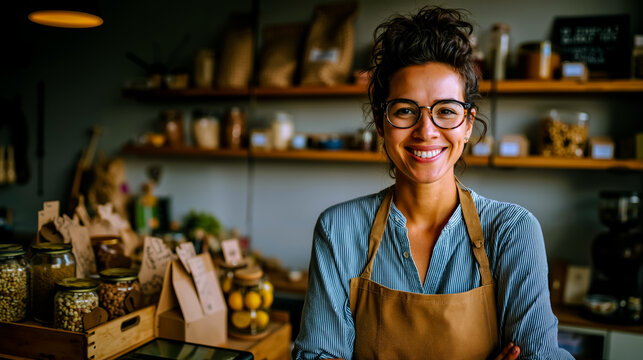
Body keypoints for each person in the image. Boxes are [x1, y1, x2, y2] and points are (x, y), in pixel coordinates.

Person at [292, 6, 574, 360]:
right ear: (381, 122)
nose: (426, 131)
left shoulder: (512, 231)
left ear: (468, 124)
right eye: (406, 110)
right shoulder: (339, 230)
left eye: (446, 110)